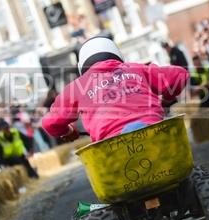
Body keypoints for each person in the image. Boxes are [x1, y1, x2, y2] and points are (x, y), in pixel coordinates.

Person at [42, 36, 188, 143]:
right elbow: (180, 75)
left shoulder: (76, 88)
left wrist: (68, 131)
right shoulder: (136, 69)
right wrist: (167, 99)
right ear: (117, 55)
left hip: (112, 149)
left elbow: (50, 123)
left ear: (83, 66)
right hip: (154, 134)